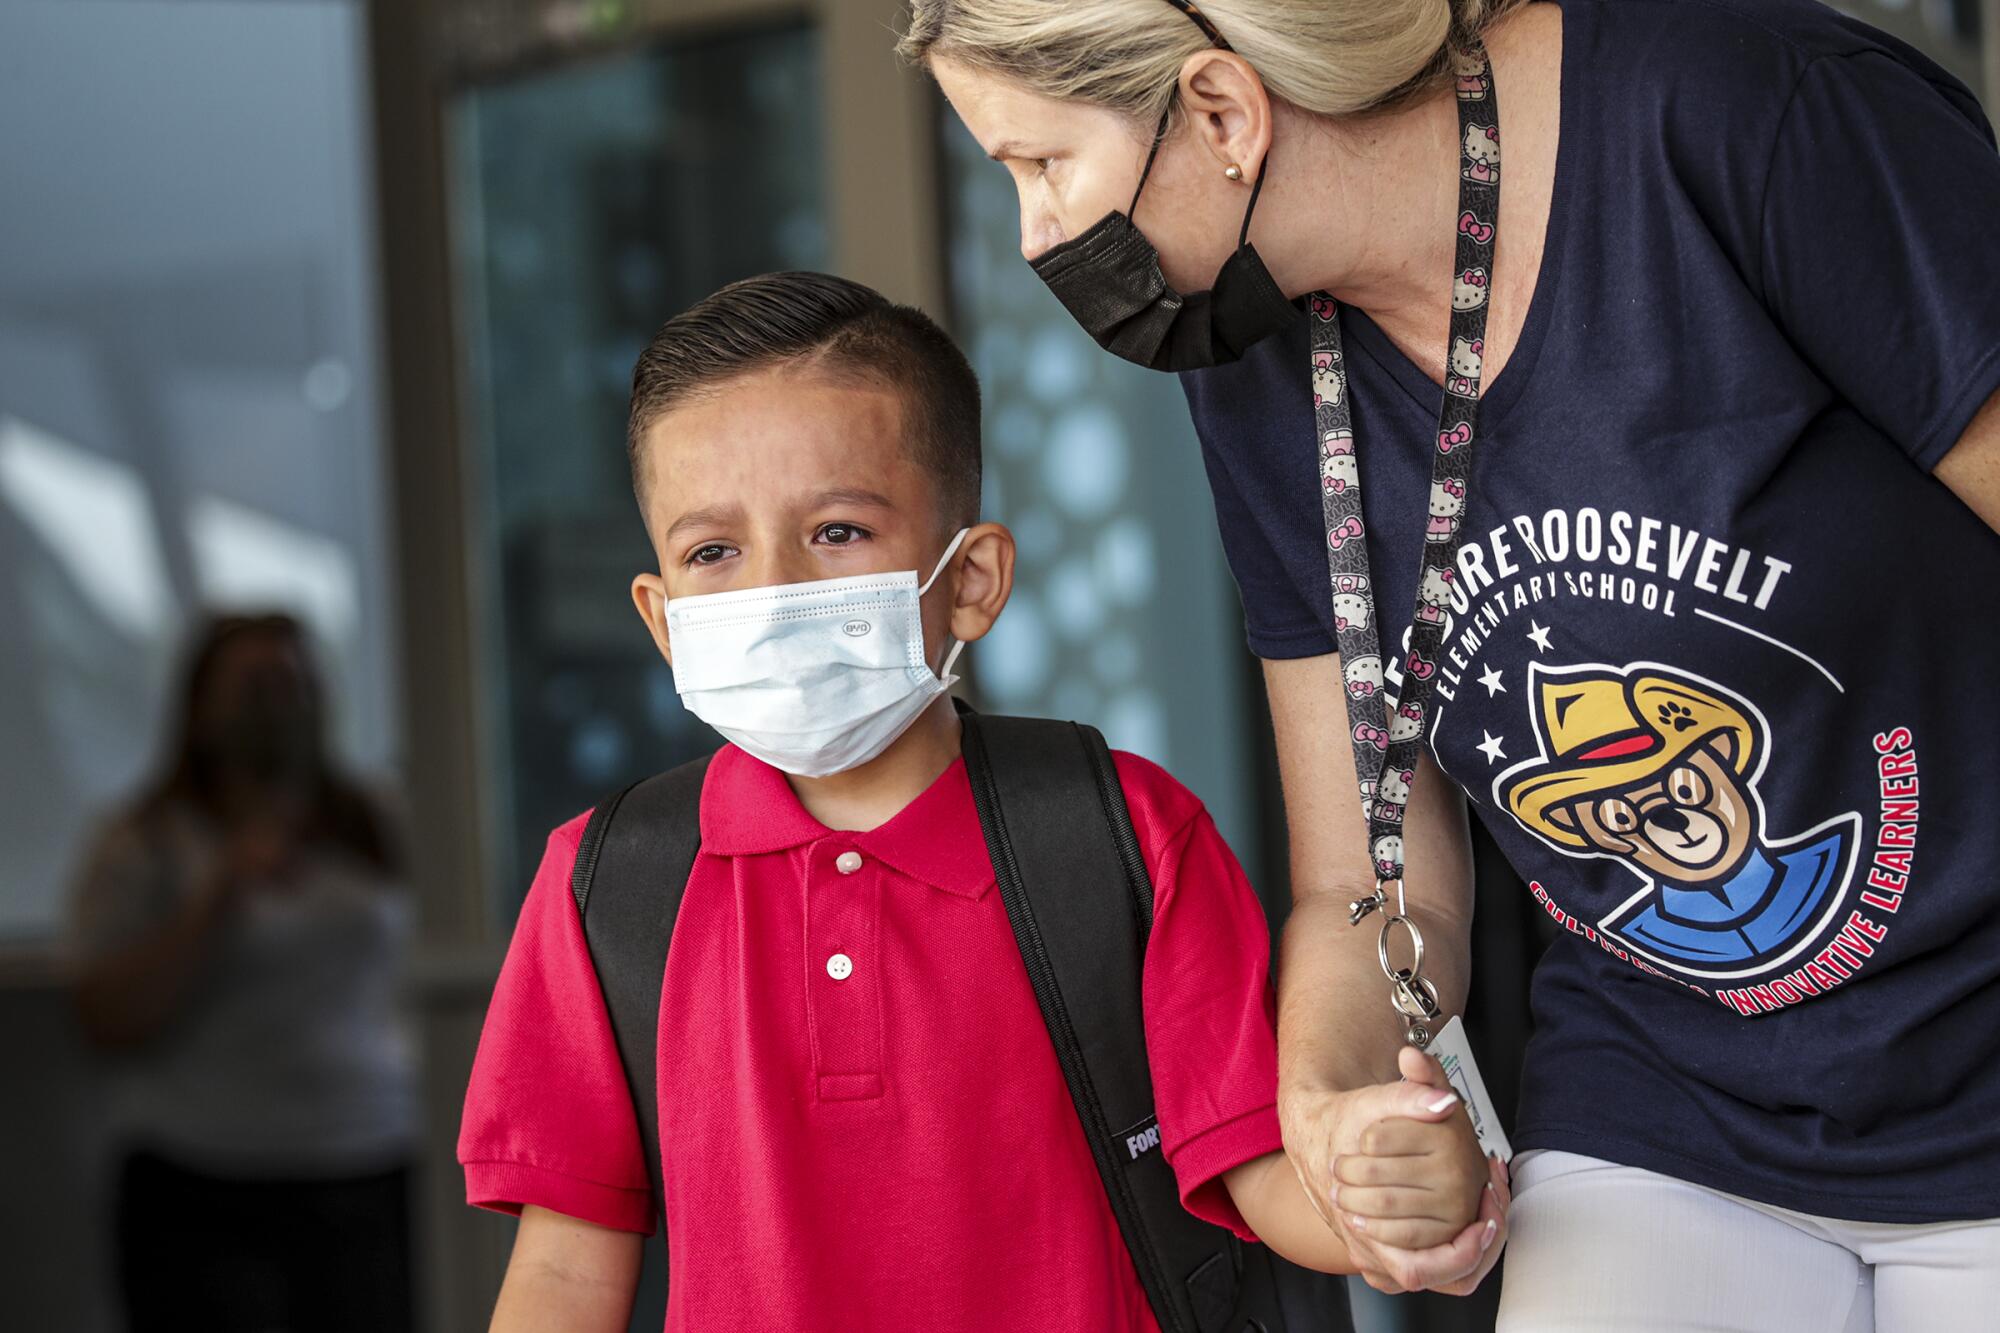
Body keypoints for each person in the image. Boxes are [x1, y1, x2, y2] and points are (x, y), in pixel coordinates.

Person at [906, 0, 2000, 1326]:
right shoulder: (1257, 353)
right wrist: (1333, 1101)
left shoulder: (1731, 109)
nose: (1034, 236)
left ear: (1220, 112)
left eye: (1039, 165)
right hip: (1667, 1097)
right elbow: (1368, 884)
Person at [456, 272, 1499, 1331]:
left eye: (836, 532)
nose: (771, 592)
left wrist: (1395, 1199)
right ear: (661, 615)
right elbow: (562, 1272)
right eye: (712, 552)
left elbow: (1259, 1179)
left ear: (971, 580)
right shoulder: (610, 886)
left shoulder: (1123, 834)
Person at [69, 612, 417, 1333]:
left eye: (294, 680)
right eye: (257, 684)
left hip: (366, 1158)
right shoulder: (147, 841)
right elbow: (108, 1016)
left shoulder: (374, 821)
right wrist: (220, 893)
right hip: (205, 1179)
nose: (280, 703)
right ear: (202, 709)